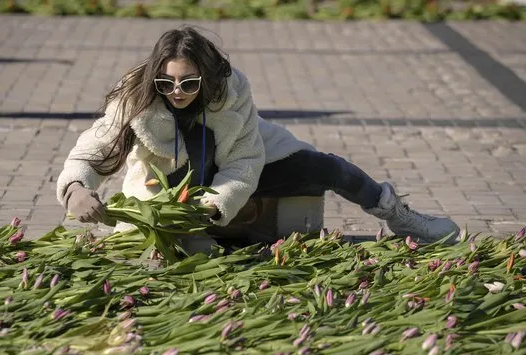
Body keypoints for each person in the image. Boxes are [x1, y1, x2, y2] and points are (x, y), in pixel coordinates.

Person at [56, 26, 460, 251]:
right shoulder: (137, 95)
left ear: (208, 79)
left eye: (189, 82)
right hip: (166, 188)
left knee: (329, 167)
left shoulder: (232, 92)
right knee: (166, 243)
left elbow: (244, 162)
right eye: (166, 82)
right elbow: (95, 147)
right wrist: (75, 188)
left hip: (245, 163)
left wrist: (216, 206)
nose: (176, 91)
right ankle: (189, 236)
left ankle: (399, 216)